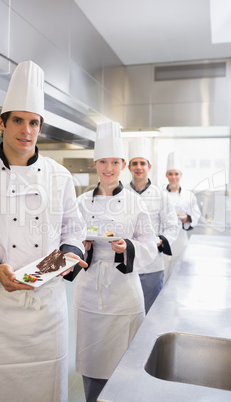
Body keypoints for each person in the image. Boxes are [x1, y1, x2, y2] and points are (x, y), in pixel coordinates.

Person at [0, 60, 87, 402]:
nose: (26, 130)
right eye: (18, 120)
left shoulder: (60, 176)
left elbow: (72, 228)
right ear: (1, 122)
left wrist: (72, 254)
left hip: (46, 312)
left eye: (34, 122)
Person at [73, 122, 157, 402]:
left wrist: (127, 247)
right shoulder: (82, 203)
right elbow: (67, 242)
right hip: (89, 292)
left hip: (123, 292)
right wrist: (80, 247)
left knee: (127, 365)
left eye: (114, 162)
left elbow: (149, 244)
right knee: (92, 362)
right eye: (102, 162)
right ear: (95, 164)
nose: (108, 168)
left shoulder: (135, 202)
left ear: (123, 165)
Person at [125, 137, 178, 313]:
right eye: (134, 163)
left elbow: (172, 226)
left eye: (142, 163)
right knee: (128, 313)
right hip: (125, 263)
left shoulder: (162, 195)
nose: (138, 167)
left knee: (151, 313)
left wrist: (159, 241)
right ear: (129, 167)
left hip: (152, 265)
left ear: (149, 167)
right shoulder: (121, 193)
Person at [164, 151, 201, 281]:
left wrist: (187, 218)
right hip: (164, 237)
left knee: (178, 275)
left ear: (181, 175)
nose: (173, 177)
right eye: (170, 174)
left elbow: (196, 213)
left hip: (180, 239)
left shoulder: (188, 195)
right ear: (166, 175)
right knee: (162, 273)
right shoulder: (161, 194)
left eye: (176, 174)